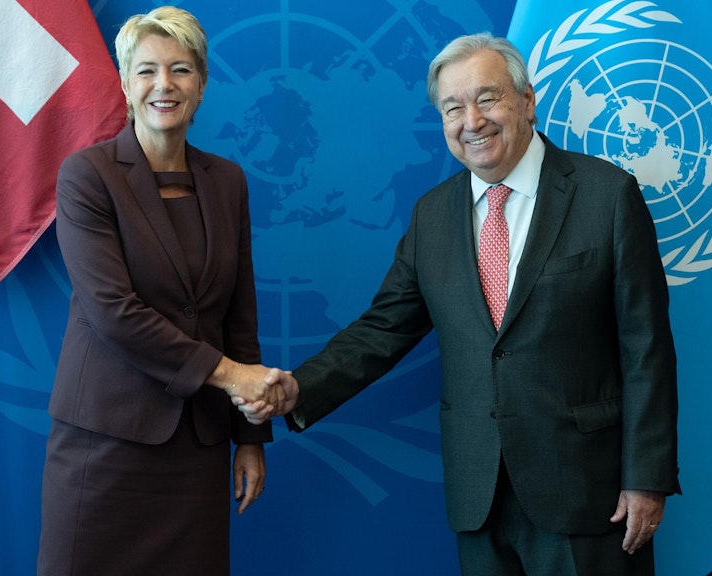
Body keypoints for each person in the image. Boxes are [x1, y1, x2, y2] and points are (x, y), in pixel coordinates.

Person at [240, 33, 679, 575]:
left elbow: (646, 349)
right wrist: (300, 387)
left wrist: (646, 476)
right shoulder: (432, 216)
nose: (472, 120)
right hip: (479, 496)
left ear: (526, 100)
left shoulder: (606, 195)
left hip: (589, 493)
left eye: (487, 98)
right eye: (453, 107)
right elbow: (383, 330)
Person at [37, 7, 287, 576]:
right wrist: (232, 376)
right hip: (105, 444)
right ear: (126, 85)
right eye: (147, 70)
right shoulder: (86, 175)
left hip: (196, 448)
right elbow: (113, 313)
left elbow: (238, 312)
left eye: (180, 69)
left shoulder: (228, 181)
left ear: (201, 84)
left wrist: (250, 438)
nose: (164, 85)